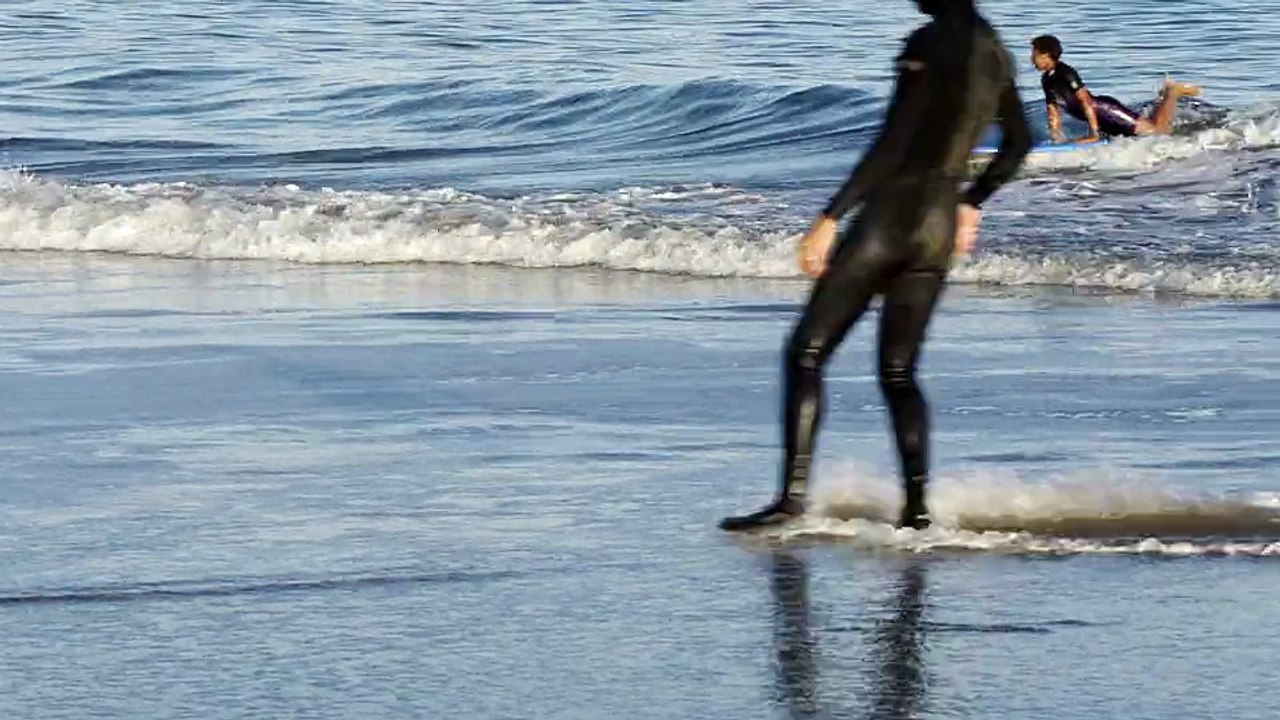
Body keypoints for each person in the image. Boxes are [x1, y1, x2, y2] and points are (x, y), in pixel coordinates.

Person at [719, 0, 1031, 532]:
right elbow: (1020, 142)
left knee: (807, 352)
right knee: (899, 373)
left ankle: (792, 500)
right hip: (937, 227)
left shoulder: (927, 42)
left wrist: (830, 217)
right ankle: (916, 511)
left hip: (891, 215)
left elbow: (894, 142)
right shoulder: (997, 52)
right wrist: (972, 202)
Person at [1031, 34, 1200, 142]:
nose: (1031, 58)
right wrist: (1056, 139)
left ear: (1046, 55)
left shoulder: (1066, 72)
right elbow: (1052, 110)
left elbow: (1086, 102)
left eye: (1034, 54)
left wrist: (1094, 134)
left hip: (1107, 111)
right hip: (1101, 120)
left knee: (1157, 131)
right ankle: (1163, 98)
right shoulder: (1046, 80)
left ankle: (1173, 92)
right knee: (1144, 131)